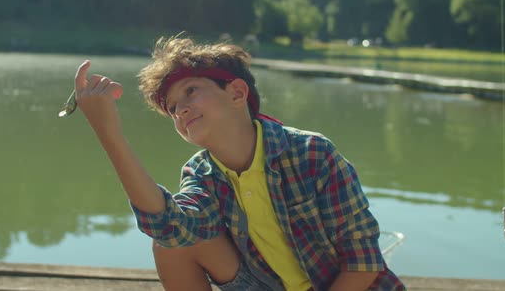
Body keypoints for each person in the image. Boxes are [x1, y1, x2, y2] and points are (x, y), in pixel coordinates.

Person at [74, 35, 406, 291]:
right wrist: (108, 133)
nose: (181, 110)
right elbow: (167, 226)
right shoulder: (200, 175)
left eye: (191, 91)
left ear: (236, 93)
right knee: (170, 246)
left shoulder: (313, 154)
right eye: (172, 108)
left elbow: (362, 260)